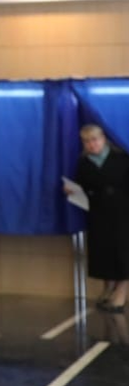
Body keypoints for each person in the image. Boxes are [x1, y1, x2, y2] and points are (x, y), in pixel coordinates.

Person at [70, 123, 129, 311]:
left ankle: (121, 292)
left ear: (104, 139)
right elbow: (82, 188)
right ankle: (109, 287)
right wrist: (72, 191)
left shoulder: (121, 158)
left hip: (122, 212)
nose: (92, 144)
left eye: (95, 139)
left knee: (122, 252)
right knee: (102, 251)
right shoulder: (84, 163)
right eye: (86, 141)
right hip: (98, 213)